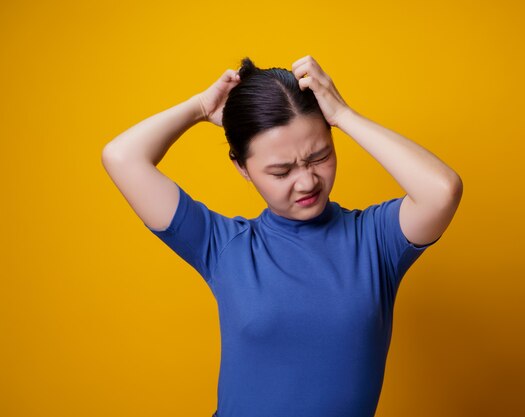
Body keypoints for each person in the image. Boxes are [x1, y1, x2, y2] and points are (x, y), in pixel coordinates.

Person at [102, 55, 463, 417]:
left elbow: (442, 191)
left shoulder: (376, 241)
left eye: (319, 156)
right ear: (242, 167)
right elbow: (121, 157)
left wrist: (343, 115)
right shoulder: (223, 246)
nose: (307, 181)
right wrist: (199, 107)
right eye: (281, 171)